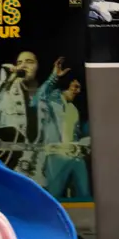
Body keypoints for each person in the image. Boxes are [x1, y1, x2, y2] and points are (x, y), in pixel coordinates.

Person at [0, 54, 70, 181]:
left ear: (38, 67)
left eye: (29, 61)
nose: (23, 65)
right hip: (11, 170)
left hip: (39, 173)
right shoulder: (6, 96)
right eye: (19, 63)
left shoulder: (45, 101)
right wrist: (2, 83)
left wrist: (54, 77)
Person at [39, 70, 91, 200]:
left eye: (79, 88)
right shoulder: (52, 102)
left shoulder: (73, 108)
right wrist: (54, 77)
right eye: (75, 86)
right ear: (66, 85)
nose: (78, 91)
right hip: (57, 154)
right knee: (54, 194)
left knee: (84, 195)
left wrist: (85, 142)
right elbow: (39, 98)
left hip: (76, 155)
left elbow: (74, 133)